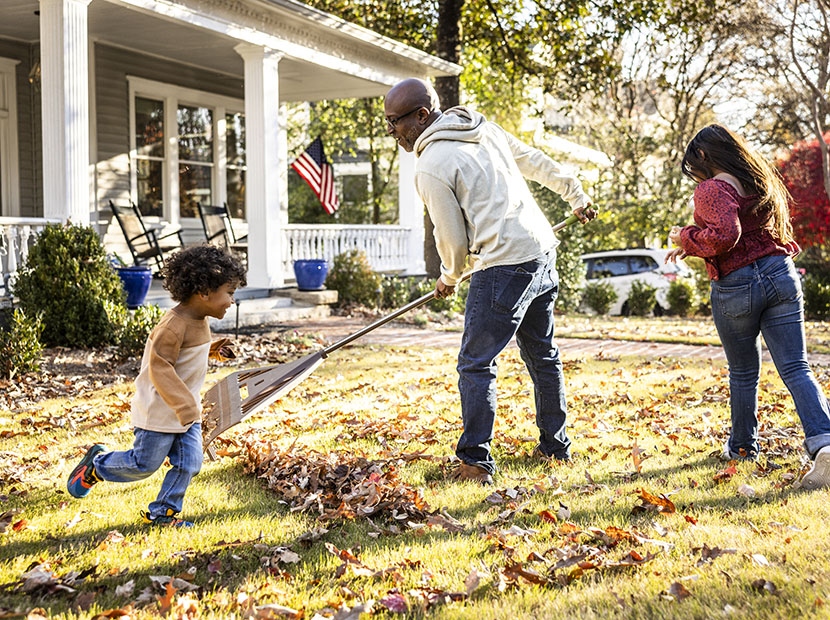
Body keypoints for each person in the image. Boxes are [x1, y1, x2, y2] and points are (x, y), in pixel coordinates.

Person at [384, 78, 595, 485]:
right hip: (541, 253)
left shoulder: (430, 165)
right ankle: (556, 449)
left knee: (476, 364)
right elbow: (533, 160)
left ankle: (475, 463)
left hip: (502, 265)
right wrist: (575, 194)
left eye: (395, 122)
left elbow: (451, 238)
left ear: (422, 116)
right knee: (543, 356)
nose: (391, 130)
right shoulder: (482, 127)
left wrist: (450, 275)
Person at [667, 124, 830, 489]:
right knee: (796, 366)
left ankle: (742, 448)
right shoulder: (759, 178)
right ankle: (824, 442)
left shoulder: (712, 188)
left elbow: (726, 234)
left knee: (743, 372)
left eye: (695, 164)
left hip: (738, 284)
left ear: (705, 156)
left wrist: (685, 236)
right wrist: (693, 244)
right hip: (780, 274)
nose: (697, 173)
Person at [66, 245, 246, 525]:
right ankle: (97, 465)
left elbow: (186, 353)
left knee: (189, 463)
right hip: (160, 412)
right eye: (230, 292)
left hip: (186, 412)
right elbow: (159, 368)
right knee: (143, 465)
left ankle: (164, 513)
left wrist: (211, 350)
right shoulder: (172, 326)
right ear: (204, 292)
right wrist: (187, 407)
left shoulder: (199, 319)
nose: (232, 300)